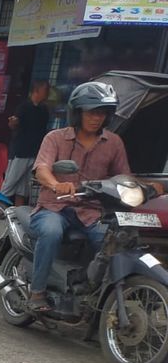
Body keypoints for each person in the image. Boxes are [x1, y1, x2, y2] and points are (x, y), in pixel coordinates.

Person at [28, 81, 128, 313]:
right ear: (78, 113)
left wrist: (144, 188)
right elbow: (42, 169)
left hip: (91, 211)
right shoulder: (55, 138)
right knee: (51, 232)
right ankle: (37, 292)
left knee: (114, 240)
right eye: (91, 112)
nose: (97, 118)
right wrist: (56, 185)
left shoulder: (114, 143)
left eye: (102, 113)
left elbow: (124, 176)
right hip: (53, 207)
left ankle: (96, 294)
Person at [1, 80, 50, 205]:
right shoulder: (24, 106)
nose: (47, 93)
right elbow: (14, 124)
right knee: (10, 182)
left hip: (35, 151)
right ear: (36, 90)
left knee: (23, 187)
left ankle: (18, 210)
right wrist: (13, 122)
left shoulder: (44, 109)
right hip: (21, 151)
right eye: (45, 90)